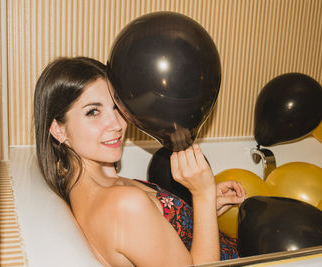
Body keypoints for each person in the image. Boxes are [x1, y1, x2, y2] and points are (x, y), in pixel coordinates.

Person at [34, 56, 246, 266]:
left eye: (116, 106)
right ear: (58, 130)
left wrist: (204, 210)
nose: (116, 124)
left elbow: (162, 239)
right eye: (93, 111)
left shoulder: (104, 187)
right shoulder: (122, 205)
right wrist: (203, 195)